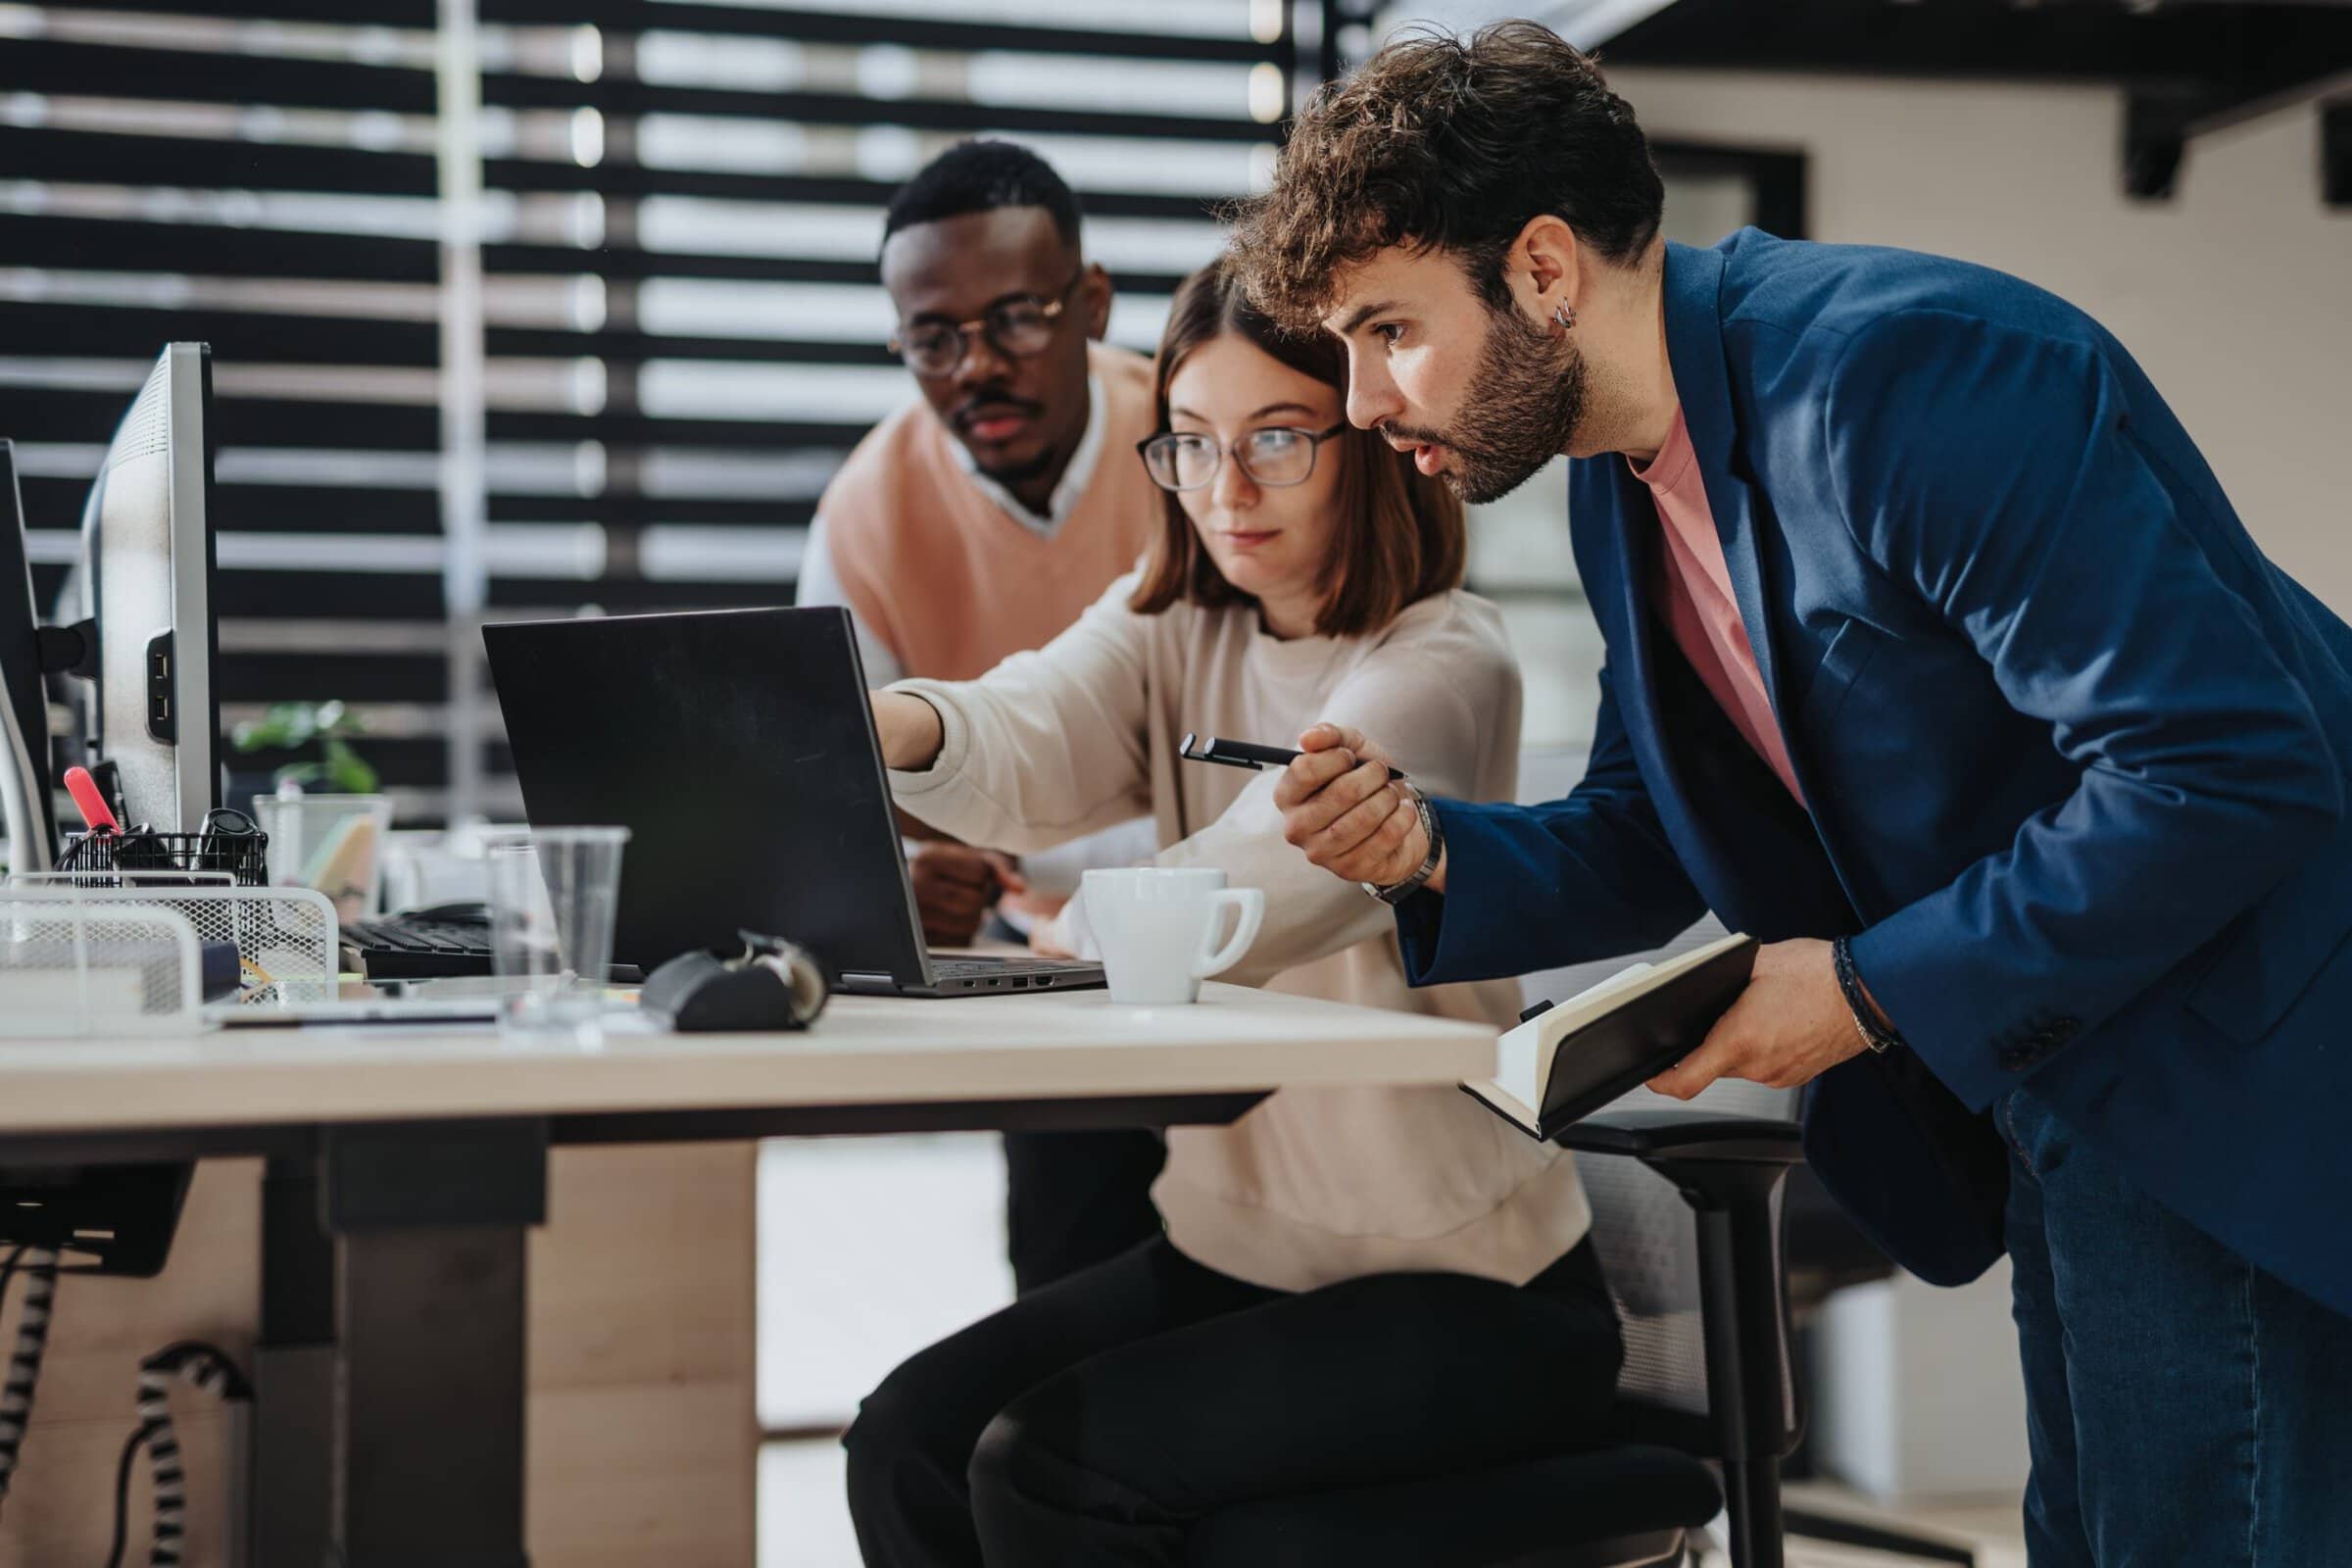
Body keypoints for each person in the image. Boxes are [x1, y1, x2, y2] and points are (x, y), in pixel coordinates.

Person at [1240, 22, 2352, 1565]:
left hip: (2234, 1043)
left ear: (1545, 271)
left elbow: (2219, 773)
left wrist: (1867, 991)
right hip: (2059, 1063)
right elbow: (1649, 823)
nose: (1363, 400)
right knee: (2094, 1533)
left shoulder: (1906, 378)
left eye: (1387, 330)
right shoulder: (1618, 476)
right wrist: (1428, 852)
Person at [841, 256, 1618, 1566]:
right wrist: (882, 723)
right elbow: (1025, 728)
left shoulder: (1441, 659)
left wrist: (1073, 933)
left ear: (1369, 439)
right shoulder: (1172, 626)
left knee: (1054, 1475)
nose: (1225, 489)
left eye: (1274, 439)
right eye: (1190, 444)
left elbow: (1270, 887)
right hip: (1232, 1257)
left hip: (1471, 1294)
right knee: (905, 1440)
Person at [799, 139, 1165, 1295]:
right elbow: (824, 787)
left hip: (1236, 936)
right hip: (1038, 978)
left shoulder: (1206, 447)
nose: (974, 370)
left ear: (1092, 304)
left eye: (1016, 320)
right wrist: (895, 879)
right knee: (1067, 1298)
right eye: (933, 339)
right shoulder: (868, 511)